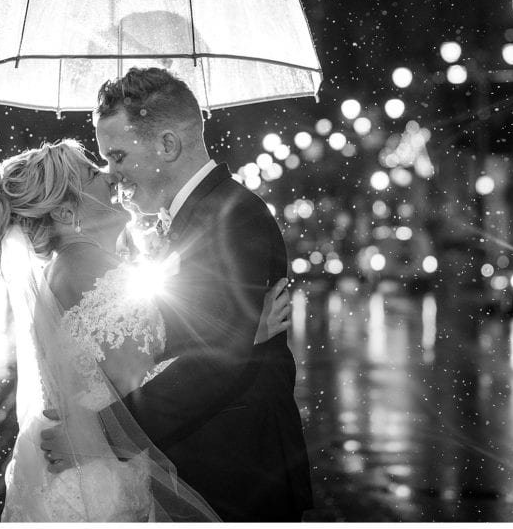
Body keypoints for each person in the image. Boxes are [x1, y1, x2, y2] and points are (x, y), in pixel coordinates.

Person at [0, 138, 293, 522]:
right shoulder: (86, 269)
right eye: (92, 173)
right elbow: (133, 380)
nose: (109, 175)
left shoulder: (73, 266)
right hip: (101, 481)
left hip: (90, 473)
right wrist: (245, 336)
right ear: (68, 213)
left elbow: (131, 355)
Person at [40, 67, 314, 521]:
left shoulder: (228, 215)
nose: (113, 175)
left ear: (167, 145)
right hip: (205, 464)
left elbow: (213, 363)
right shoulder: (189, 217)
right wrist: (249, 333)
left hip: (238, 470)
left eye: (119, 156)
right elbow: (198, 339)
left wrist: (99, 438)